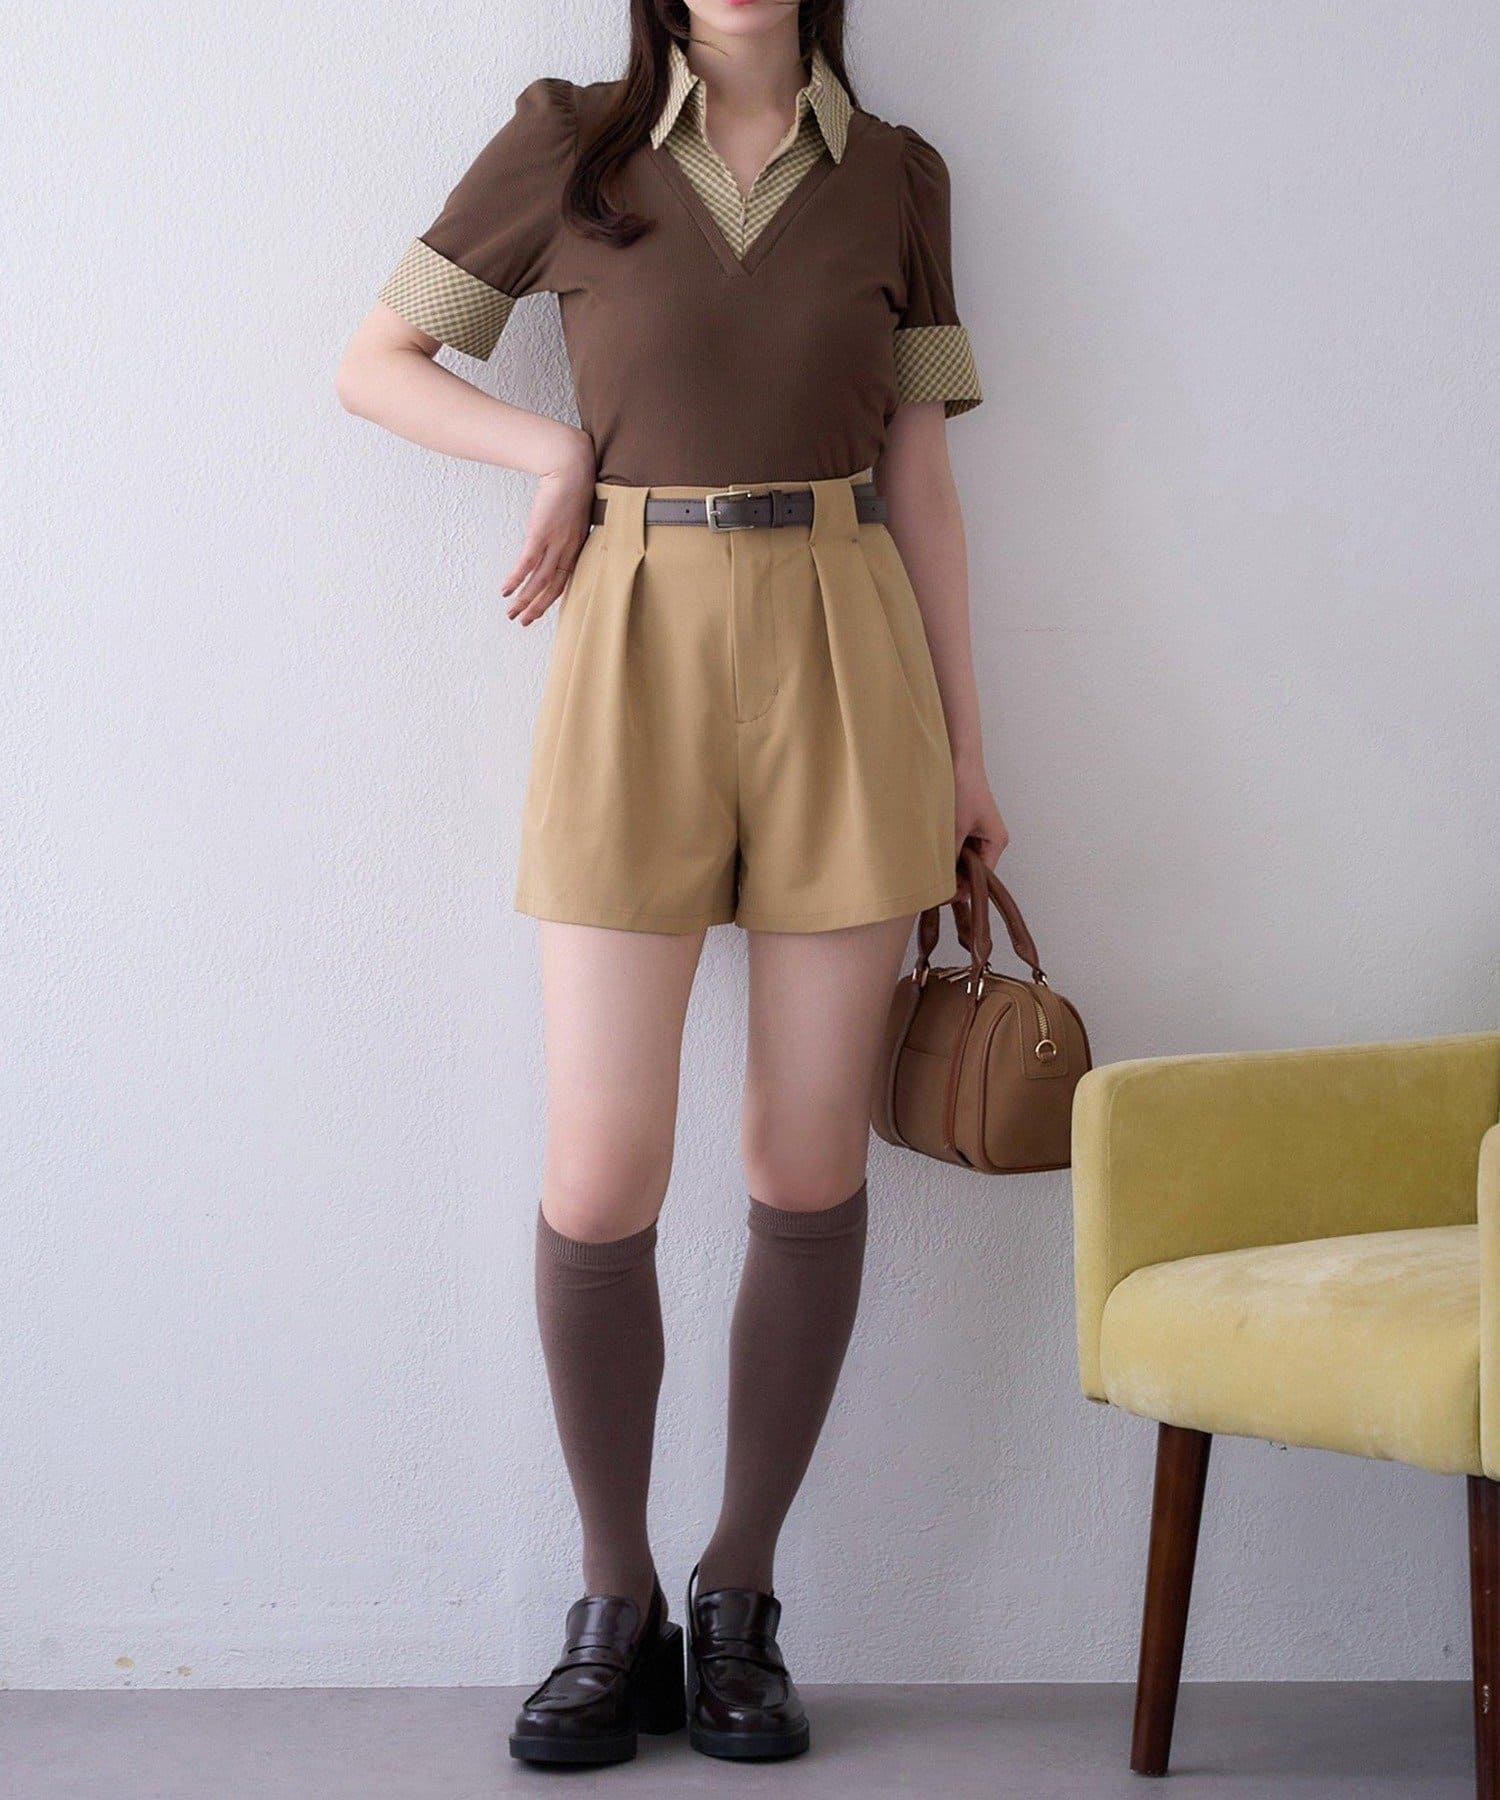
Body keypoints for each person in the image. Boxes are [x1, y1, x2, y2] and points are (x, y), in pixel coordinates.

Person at [337, 0, 1006, 1766]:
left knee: (805, 1155)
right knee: (601, 1165)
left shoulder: (899, 176)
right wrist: (551, 450)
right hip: (629, 636)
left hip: (850, 649)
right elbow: (376, 361)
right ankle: (612, 1596)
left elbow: (924, 475)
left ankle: (739, 1596)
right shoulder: (572, 143)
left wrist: (970, 751)